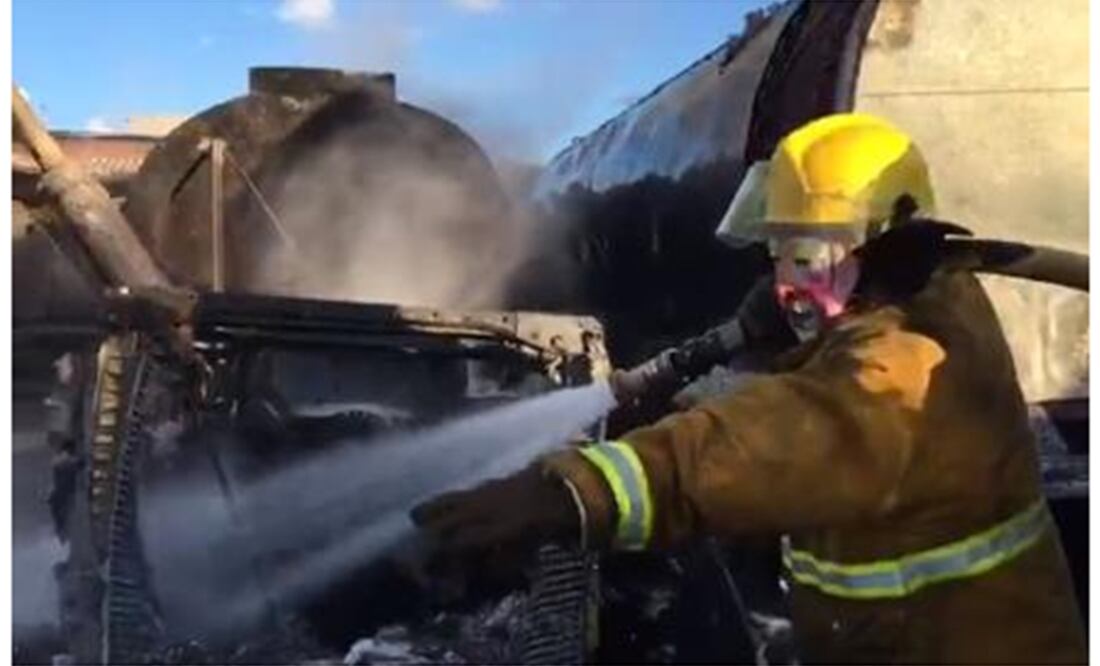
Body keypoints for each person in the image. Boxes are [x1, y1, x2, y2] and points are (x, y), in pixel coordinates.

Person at [412, 113, 1086, 664]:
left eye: (809, 259)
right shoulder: (898, 304)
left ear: (888, 250)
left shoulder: (908, 361)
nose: (787, 285)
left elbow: (784, 438)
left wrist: (576, 491)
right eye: (777, 255)